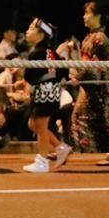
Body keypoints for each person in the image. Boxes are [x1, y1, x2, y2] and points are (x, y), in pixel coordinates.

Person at [71, 1, 109, 166]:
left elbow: (95, 65)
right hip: (90, 83)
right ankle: (68, 148)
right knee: (82, 115)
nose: (84, 17)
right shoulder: (91, 36)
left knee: (96, 118)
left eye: (88, 14)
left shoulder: (99, 38)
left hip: (96, 84)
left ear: (98, 16)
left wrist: (78, 76)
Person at [22, 18, 72, 172]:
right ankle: (60, 147)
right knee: (35, 124)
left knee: (41, 126)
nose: (27, 32)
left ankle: (42, 160)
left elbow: (30, 77)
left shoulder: (36, 53)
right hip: (53, 92)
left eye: (30, 29)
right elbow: (63, 72)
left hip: (43, 93)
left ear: (40, 34)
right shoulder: (52, 52)